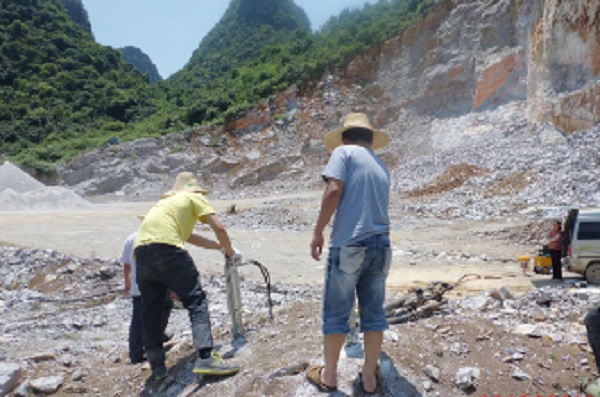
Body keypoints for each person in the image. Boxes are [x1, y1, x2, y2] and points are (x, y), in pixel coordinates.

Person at [307, 113, 392, 394]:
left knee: (336, 313)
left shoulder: (342, 153)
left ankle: (330, 375)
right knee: (374, 313)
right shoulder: (381, 166)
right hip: (381, 245)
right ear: (371, 140)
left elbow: (333, 190)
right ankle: (369, 377)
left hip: (349, 244)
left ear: (344, 137)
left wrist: (318, 231)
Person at [134, 172, 243, 380]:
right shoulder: (194, 197)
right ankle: (206, 357)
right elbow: (219, 227)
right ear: (195, 189)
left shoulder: (166, 205)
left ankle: (157, 368)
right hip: (167, 250)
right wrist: (231, 252)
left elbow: (188, 236)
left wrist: (218, 247)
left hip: (142, 254)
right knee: (196, 300)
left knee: (151, 309)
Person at [119, 232, 173, 364]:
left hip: (138, 285)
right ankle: (156, 338)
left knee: (138, 319)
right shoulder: (160, 237)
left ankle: (136, 354)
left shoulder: (131, 239)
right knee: (164, 307)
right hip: (157, 284)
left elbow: (126, 264)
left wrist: (127, 281)